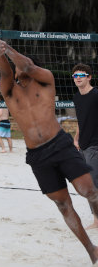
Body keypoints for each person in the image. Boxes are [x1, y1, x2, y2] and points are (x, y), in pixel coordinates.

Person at [0, 39, 98, 264]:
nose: (17, 67)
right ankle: (91, 249)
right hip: (37, 156)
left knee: (87, 190)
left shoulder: (45, 81)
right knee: (63, 204)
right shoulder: (10, 91)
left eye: (19, 62)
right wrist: (0, 54)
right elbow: (5, 74)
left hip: (60, 144)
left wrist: (9, 50)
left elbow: (29, 67)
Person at [72, 63, 98, 230]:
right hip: (83, 145)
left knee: (92, 184)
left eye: (82, 75)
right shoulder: (77, 97)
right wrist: (76, 138)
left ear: (89, 77)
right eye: (75, 75)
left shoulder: (96, 94)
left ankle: (97, 221)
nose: (78, 78)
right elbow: (81, 121)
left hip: (96, 145)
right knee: (90, 184)